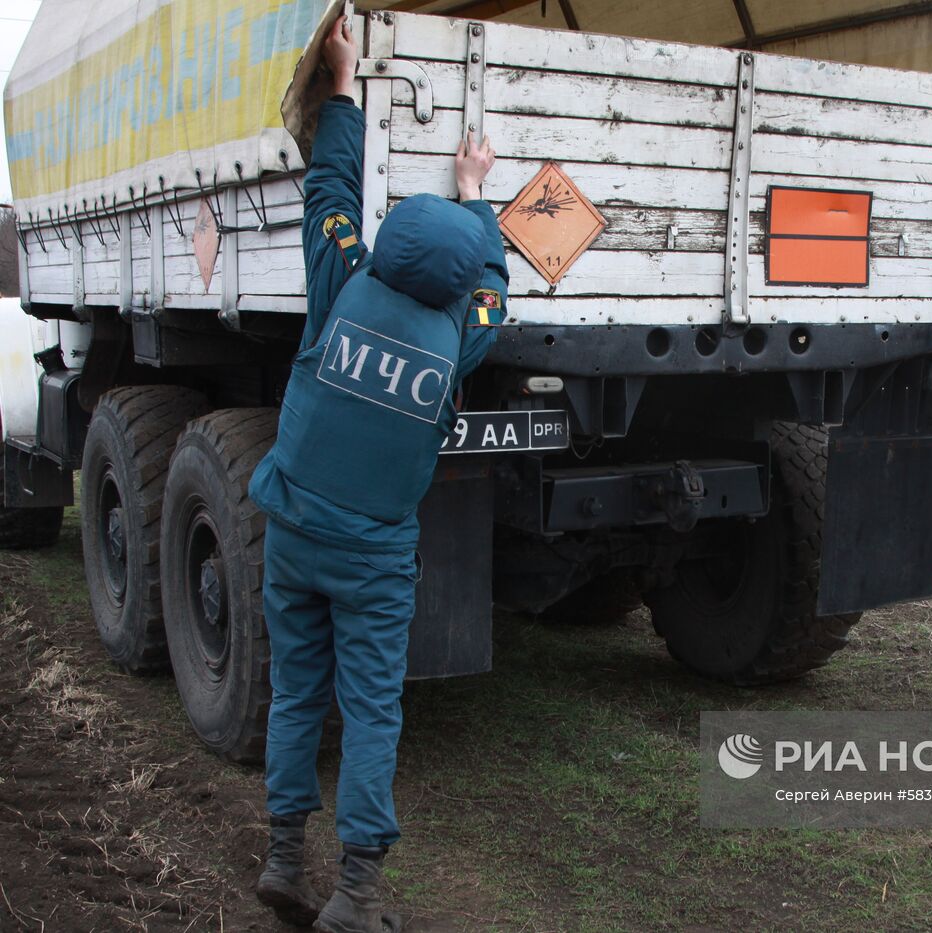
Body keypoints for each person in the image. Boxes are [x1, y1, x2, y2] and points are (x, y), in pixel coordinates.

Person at [248, 16, 508, 932]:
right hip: (373, 558)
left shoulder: (341, 285)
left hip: (293, 529)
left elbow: (331, 189)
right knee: (368, 709)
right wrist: (476, 198)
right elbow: (494, 287)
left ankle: (284, 858)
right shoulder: (459, 338)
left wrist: (347, 85)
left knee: (295, 691)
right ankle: (354, 892)